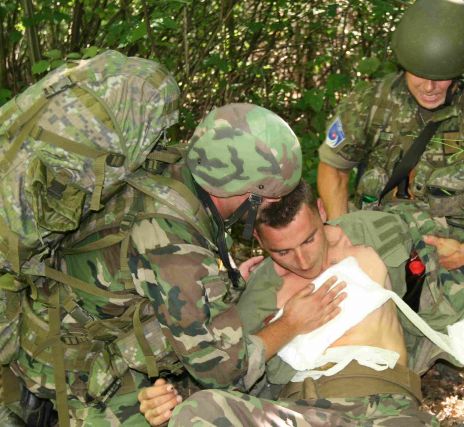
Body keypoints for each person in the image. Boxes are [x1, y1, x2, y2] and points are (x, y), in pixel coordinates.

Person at [7, 104, 345, 426]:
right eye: (271, 195)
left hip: (84, 311)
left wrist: (221, 283)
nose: (275, 203)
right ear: (245, 190)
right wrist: (289, 324)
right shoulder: (175, 246)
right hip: (74, 358)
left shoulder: (184, 168)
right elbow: (224, 372)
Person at [139, 180, 464, 426]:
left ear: (322, 213)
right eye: (283, 251)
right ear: (258, 240)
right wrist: (173, 395)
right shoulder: (261, 291)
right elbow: (225, 368)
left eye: (308, 240)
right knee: (198, 415)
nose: (303, 260)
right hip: (304, 413)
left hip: (387, 408)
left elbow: (454, 260)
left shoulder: (372, 237)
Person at [317, 0, 464, 271]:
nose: (429, 87)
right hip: (375, 248)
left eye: (441, 76)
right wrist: (343, 234)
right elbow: (333, 168)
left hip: (456, 265)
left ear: (461, 69)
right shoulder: (371, 104)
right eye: (420, 74)